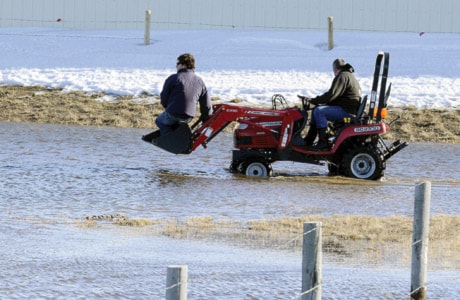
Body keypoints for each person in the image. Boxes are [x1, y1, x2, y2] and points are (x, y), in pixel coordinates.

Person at [300, 58, 362, 151]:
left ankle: (323, 142)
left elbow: (331, 94)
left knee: (319, 112)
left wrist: (314, 100)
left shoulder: (342, 76)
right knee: (316, 110)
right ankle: (309, 140)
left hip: (347, 111)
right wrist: (317, 102)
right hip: (347, 108)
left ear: (335, 69)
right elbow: (335, 97)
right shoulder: (348, 75)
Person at [155, 53, 213, 135]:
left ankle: (171, 139)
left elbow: (164, 98)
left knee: (159, 121)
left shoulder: (174, 78)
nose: (176, 66)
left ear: (183, 65)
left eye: (177, 64)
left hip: (173, 114)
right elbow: (206, 104)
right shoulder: (200, 81)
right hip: (189, 117)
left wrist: (168, 108)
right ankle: (178, 134)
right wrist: (206, 118)